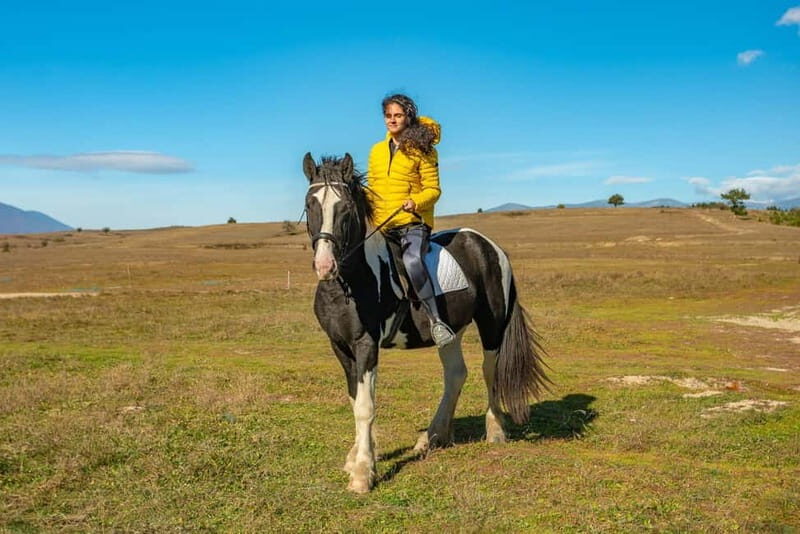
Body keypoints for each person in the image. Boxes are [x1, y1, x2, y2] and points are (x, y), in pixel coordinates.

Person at [367, 94, 456, 348]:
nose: (392, 120)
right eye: (388, 116)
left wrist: (415, 202)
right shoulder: (376, 151)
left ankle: (437, 322)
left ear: (408, 117)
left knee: (412, 260)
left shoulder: (423, 149)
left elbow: (434, 190)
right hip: (383, 225)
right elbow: (372, 188)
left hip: (413, 223)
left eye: (398, 115)